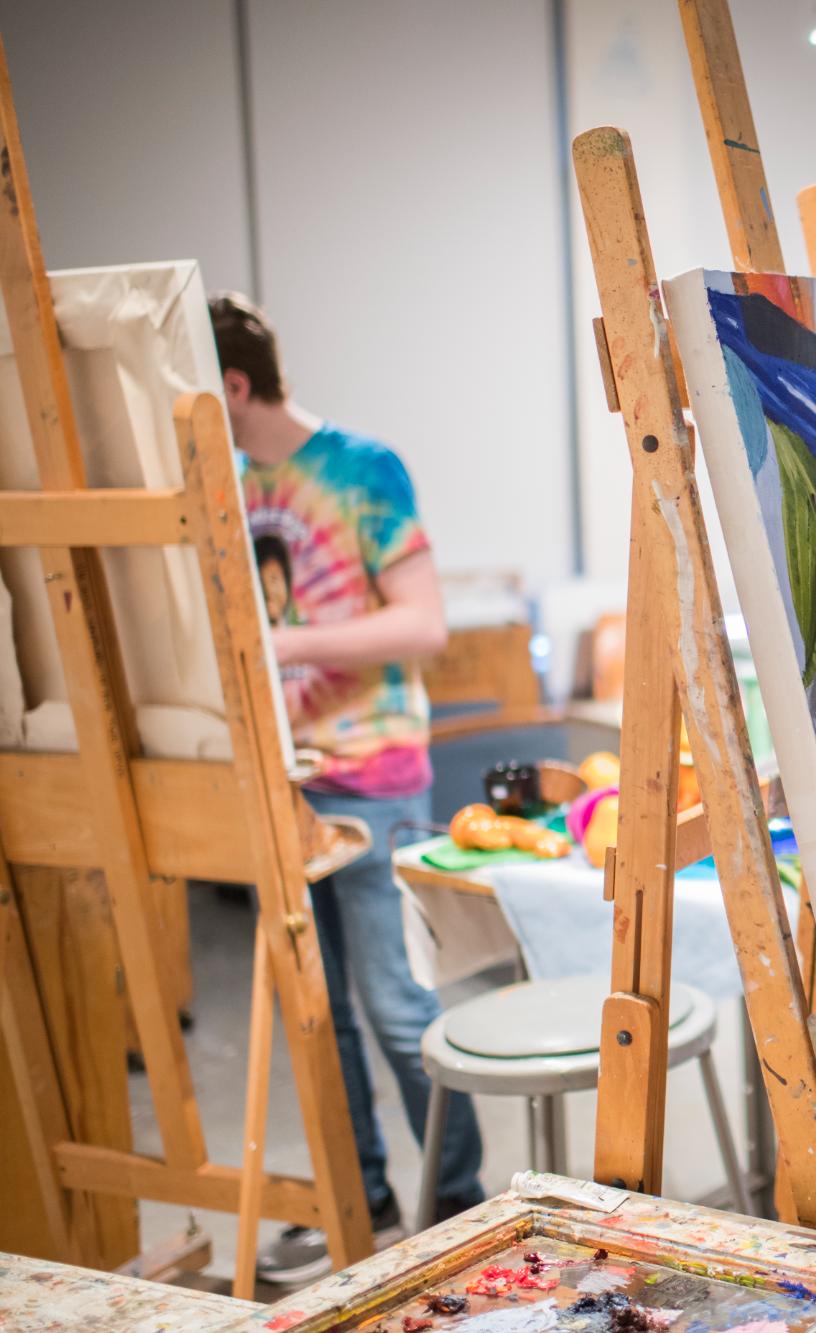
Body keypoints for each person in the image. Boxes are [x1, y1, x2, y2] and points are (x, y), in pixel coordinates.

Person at [208, 293, 483, 1284]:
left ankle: (453, 1207)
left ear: (234, 385)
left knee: (400, 1009)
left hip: (370, 778)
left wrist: (280, 643)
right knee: (314, 1017)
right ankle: (356, 1206)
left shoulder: (362, 469)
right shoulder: (222, 483)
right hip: (276, 782)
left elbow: (422, 627)